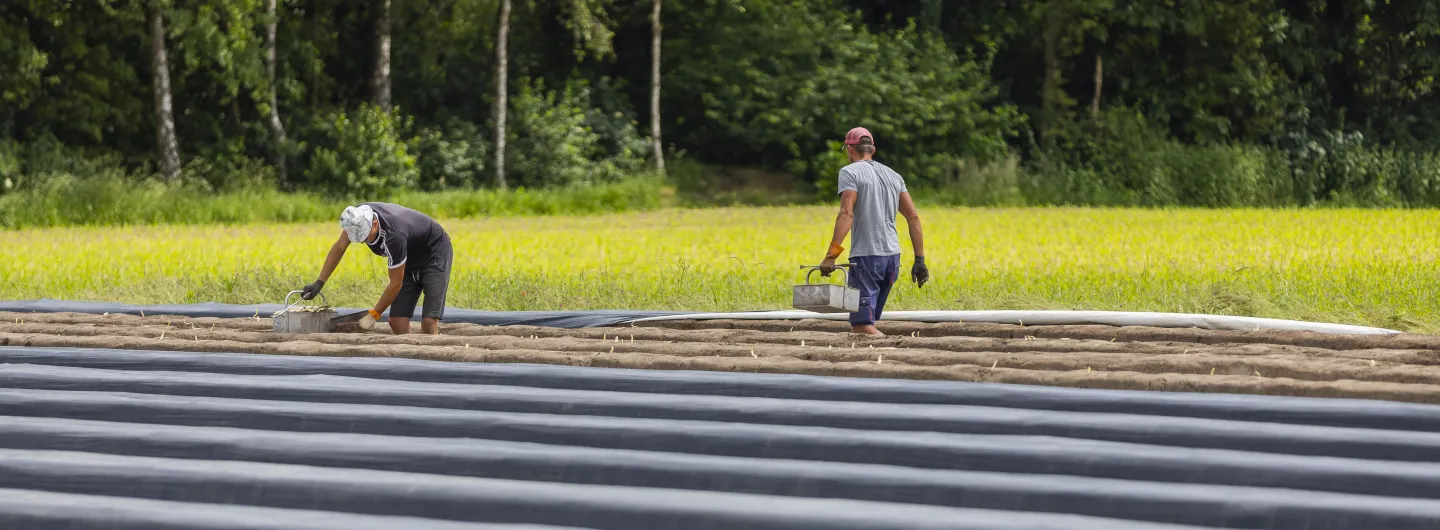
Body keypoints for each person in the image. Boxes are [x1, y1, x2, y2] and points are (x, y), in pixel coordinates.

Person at [818, 127, 929, 336]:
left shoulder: (849, 172)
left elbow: (846, 214)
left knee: (861, 326)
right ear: (873, 149)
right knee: (868, 321)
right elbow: (913, 216)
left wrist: (831, 256)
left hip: (867, 258)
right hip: (892, 259)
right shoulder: (894, 175)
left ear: (850, 149)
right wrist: (920, 260)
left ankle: (892, 353)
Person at [299, 203, 454, 335]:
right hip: (407, 256)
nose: (362, 242)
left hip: (434, 253)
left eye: (365, 237)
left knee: (428, 320)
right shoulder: (355, 217)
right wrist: (319, 283)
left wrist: (374, 314)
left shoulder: (394, 236)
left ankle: (431, 363)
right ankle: (413, 358)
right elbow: (339, 247)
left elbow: (395, 284)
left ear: (374, 224)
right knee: (396, 321)